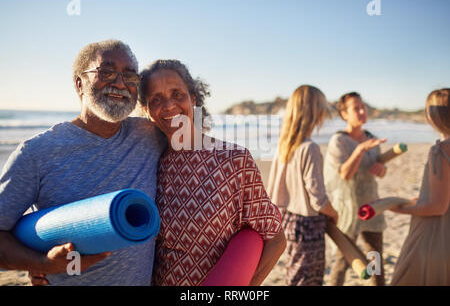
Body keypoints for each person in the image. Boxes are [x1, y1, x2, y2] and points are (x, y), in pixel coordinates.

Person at [0, 39, 165, 285]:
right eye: (107, 72)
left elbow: (196, 128)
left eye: (130, 77)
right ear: (80, 84)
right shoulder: (36, 153)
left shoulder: (150, 135)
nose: (120, 84)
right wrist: (40, 264)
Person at [138, 59, 286, 286]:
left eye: (177, 94)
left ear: (193, 98)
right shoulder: (153, 164)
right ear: (147, 111)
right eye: (156, 99)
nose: (168, 106)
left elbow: (276, 239)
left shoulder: (234, 160)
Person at [267, 85, 339, 286]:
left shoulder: (284, 146)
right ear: (315, 111)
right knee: (309, 279)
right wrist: (332, 213)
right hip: (308, 225)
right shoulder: (310, 148)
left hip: (286, 221)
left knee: (295, 274)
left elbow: (273, 190)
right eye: (323, 107)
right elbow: (317, 199)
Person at [324, 92, 387, 286]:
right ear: (344, 114)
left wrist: (382, 169)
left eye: (363, 107)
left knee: (376, 261)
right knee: (343, 262)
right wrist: (359, 150)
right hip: (347, 210)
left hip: (371, 208)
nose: (362, 111)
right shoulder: (339, 141)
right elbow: (344, 174)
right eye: (355, 108)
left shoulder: (373, 139)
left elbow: (380, 171)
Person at [389, 88, 450, 285]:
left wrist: (401, 208)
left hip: (436, 235)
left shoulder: (440, 151)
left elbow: (438, 207)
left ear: (433, 116)